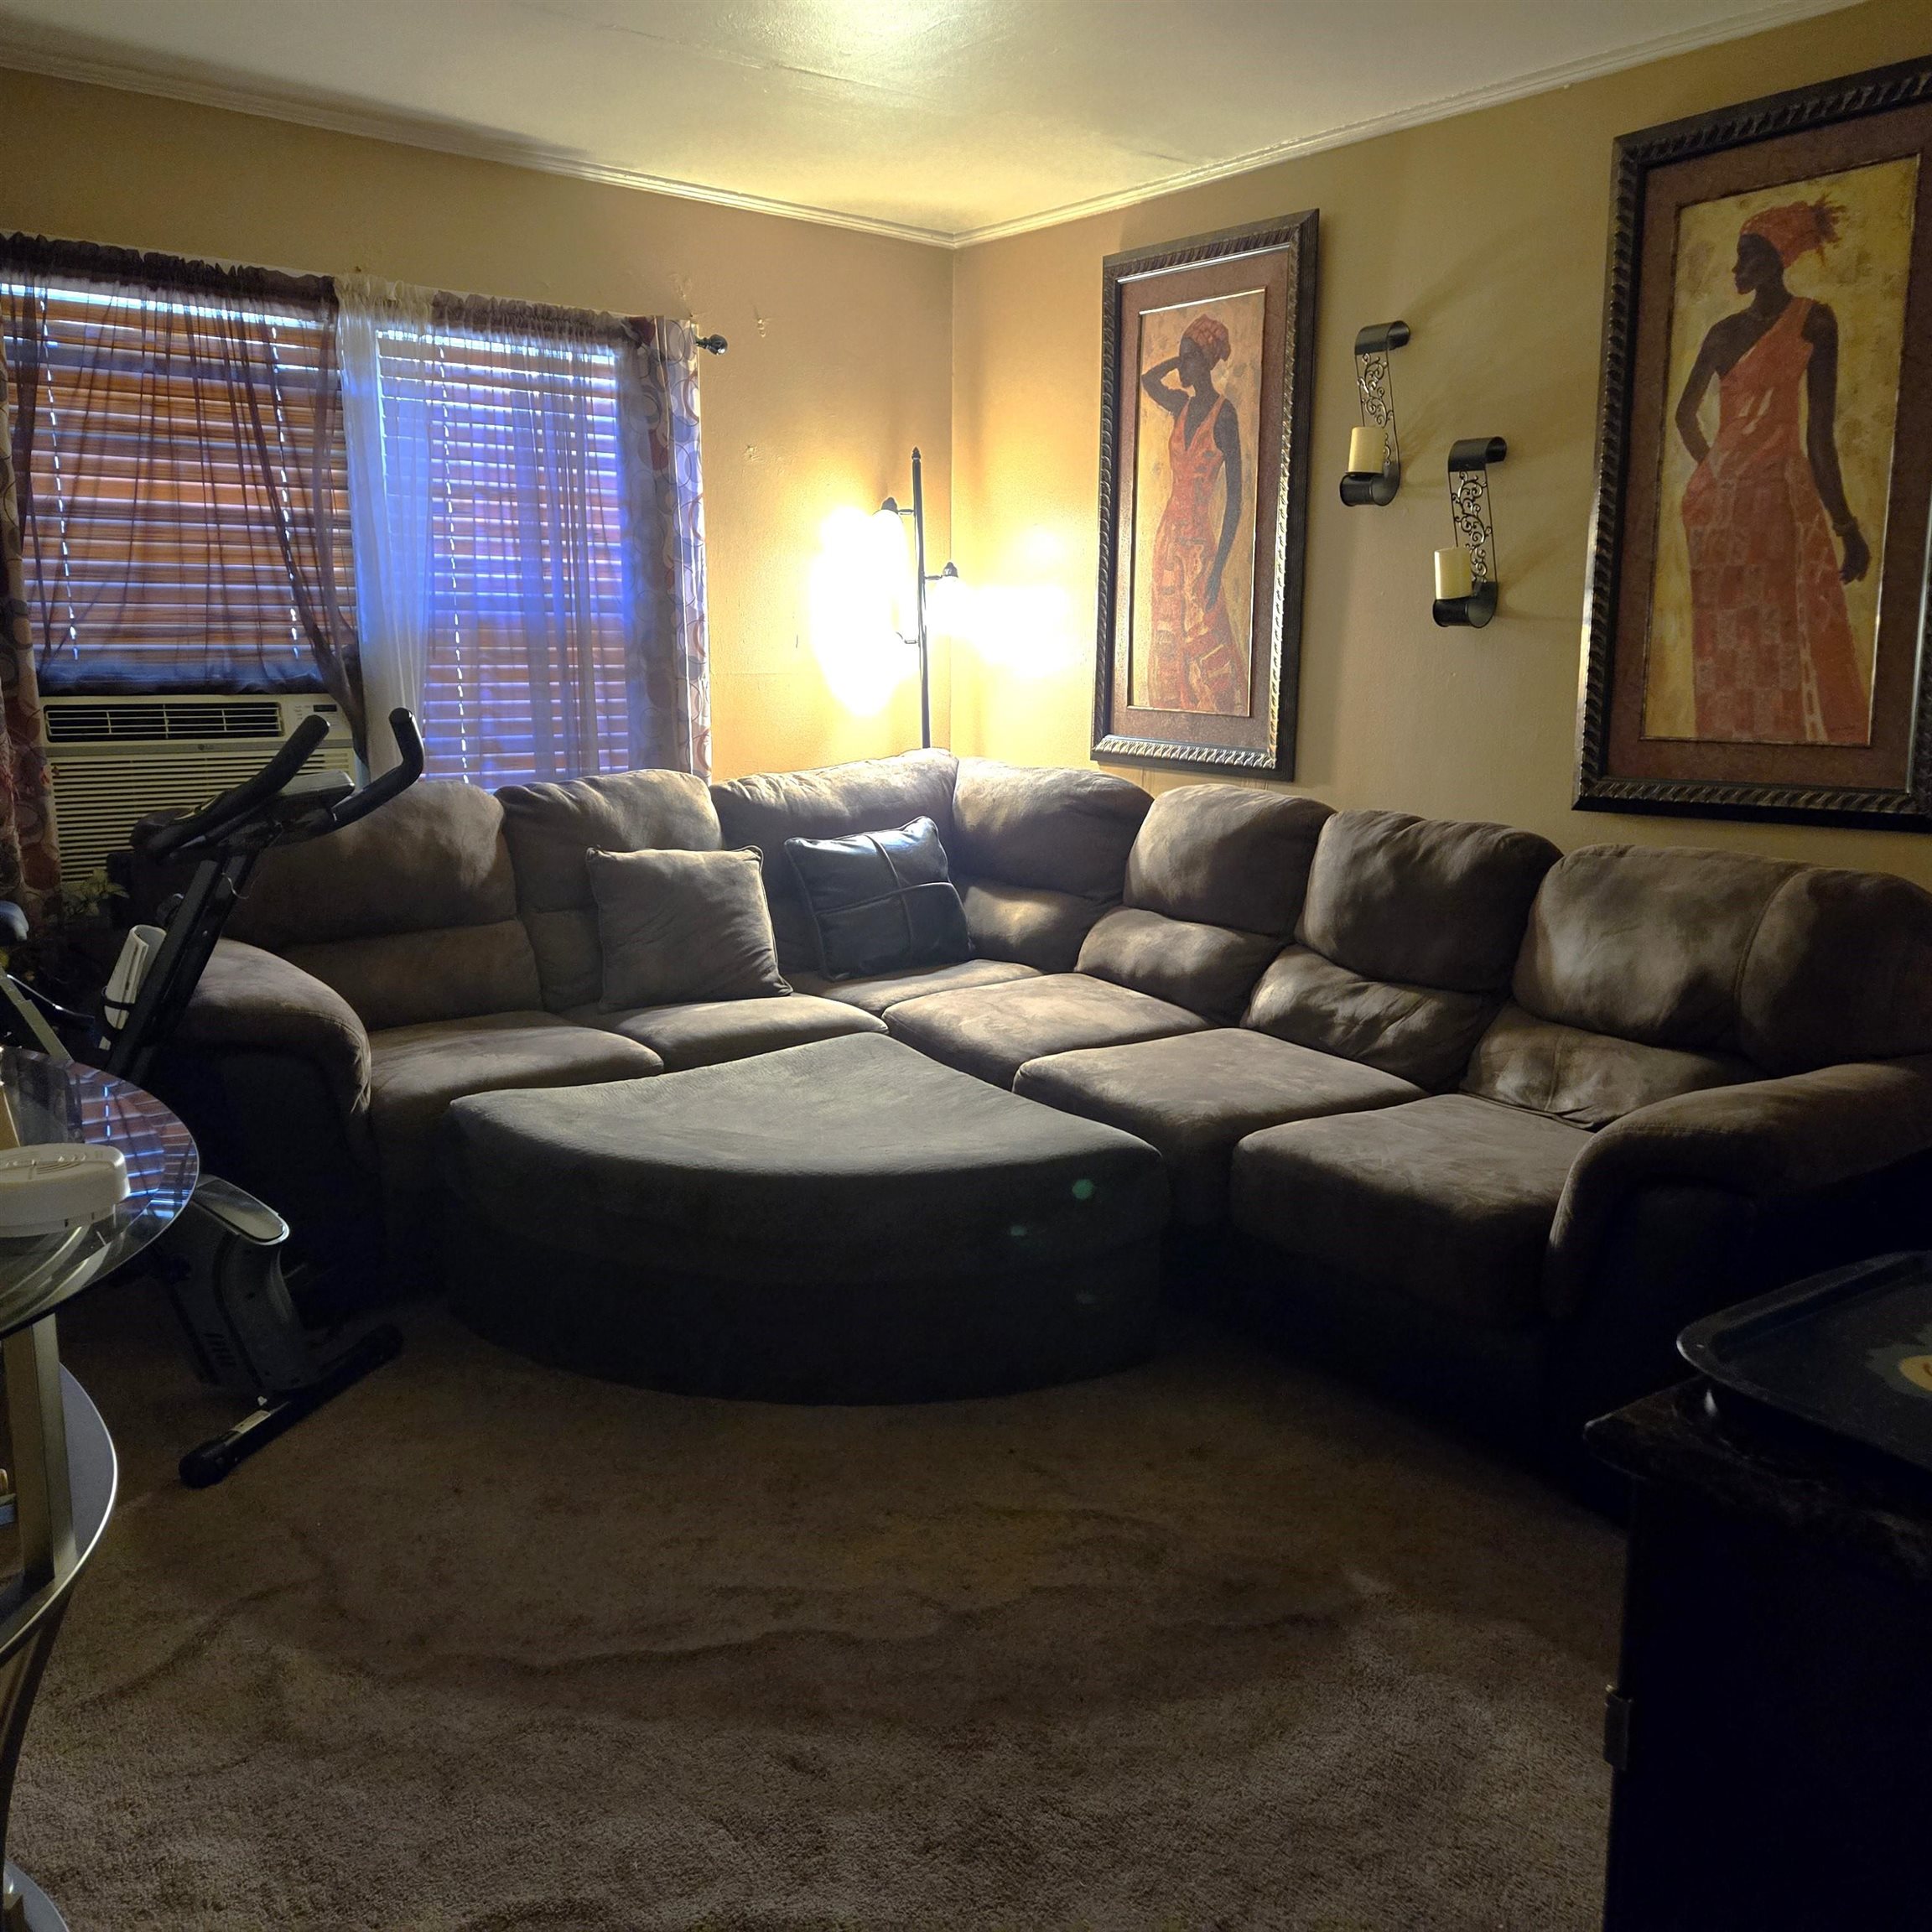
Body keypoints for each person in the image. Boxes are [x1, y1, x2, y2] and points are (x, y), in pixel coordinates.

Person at [1672, 197, 1872, 745]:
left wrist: (1717, 474)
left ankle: (1772, 759)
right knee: (1751, 636)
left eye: (1749, 256)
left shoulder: (1812, 321)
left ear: (1778, 258)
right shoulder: (1726, 332)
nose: (1738, 269)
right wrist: (1721, 472)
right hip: (1743, 504)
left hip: (1754, 502)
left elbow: (1817, 436)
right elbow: (1684, 416)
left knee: (1770, 635)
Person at [1140, 311, 1246, 714]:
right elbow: (1149, 380)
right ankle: (1174, 713)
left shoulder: (1224, 415)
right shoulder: (1180, 405)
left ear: (1206, 361)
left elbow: (1235, 498)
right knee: (1168, 630)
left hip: (1199, 546)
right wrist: (1180, 357)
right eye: (1181, 358)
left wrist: (1219, 567)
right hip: (1168, 539)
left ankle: (1218, 716)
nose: (1182, 366)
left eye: (1190, 358)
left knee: (1203, 631)